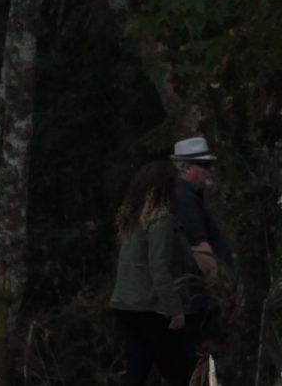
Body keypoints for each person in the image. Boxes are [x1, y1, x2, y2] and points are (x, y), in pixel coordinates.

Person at [111, 160, 200, 386]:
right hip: (150, 307)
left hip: (126, 303)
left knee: (137, 368)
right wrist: (175, 310)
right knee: (177, 370)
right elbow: (159, 267)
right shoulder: (161, 222)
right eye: (176, 185)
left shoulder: (133, 220)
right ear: (167, 189)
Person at [169, 137, 230, 352]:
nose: (209, 170)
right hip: (199, 301)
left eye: (210, 164)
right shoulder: (185, 198)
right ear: (186, 167)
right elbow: (199, 248)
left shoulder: (191, 196)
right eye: (204, 165)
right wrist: (220, 290)